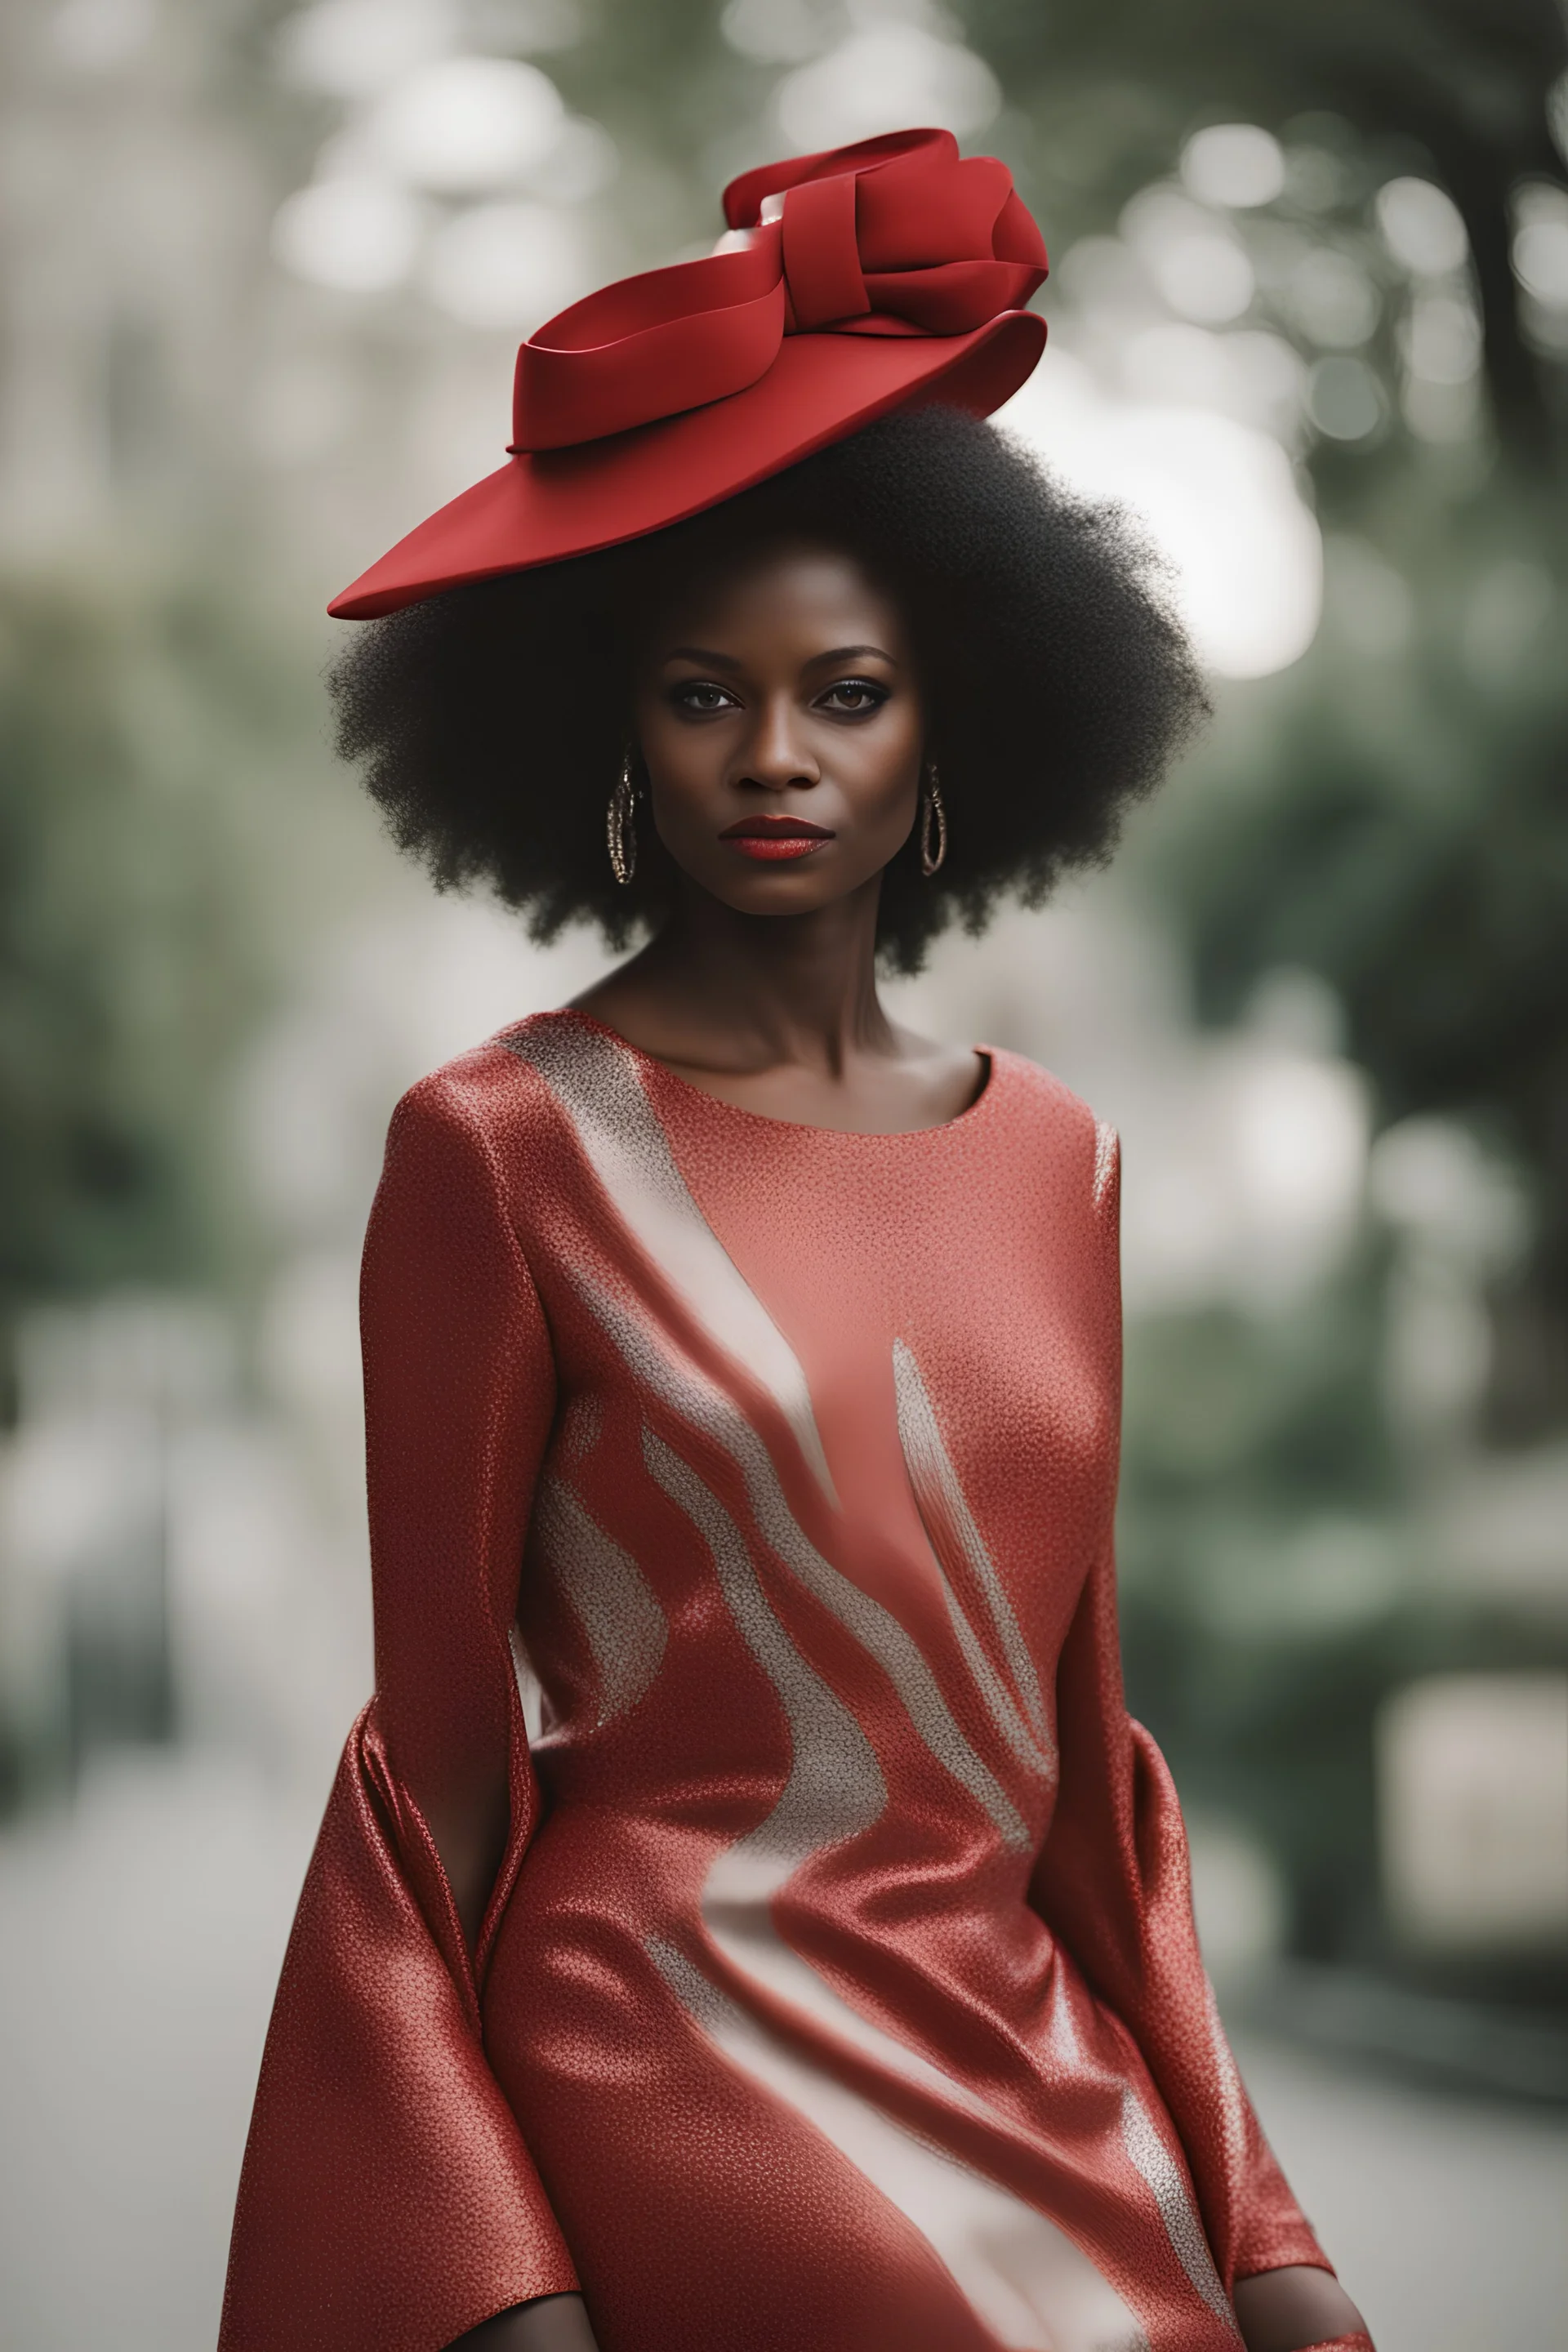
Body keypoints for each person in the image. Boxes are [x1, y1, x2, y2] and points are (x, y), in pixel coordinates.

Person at [220, 129, 1373, 2352]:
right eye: (698, 693)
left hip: (1040, 2076)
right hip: (664, 2074)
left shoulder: (1066, 1163)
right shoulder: (498, 1149)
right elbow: (434, 1780)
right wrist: (486, 2273)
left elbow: (1085, 1783)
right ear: (607, 741)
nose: (774, 754)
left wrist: (1262, 2229)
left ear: (952, 726)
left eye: (845, 690)